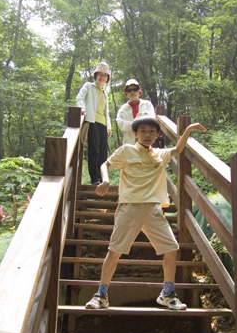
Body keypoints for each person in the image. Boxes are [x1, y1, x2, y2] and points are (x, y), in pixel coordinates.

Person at [85, 114, 206, 310]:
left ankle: (167, 294)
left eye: (151, 131)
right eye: (143, 131)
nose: (147, 134)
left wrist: (189, 129)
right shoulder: (126, 151)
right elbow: (105, 164)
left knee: (171, 249)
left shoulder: (159, 154)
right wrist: (105, 180)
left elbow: (177, 149)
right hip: (129, 206)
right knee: (114, 251)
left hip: (153, 208)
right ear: (135, 134)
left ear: (157, 134)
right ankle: (101, 295)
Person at [76, 61, 112, 185]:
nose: (102, 77)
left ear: (107, 78)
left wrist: (109, 127)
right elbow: (80, 98)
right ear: (95, 75)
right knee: (94, 150)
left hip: (103, 123)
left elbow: (106, 111)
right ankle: (95, 178)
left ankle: (103, 178)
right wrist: (82, 109)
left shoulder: (105, 93)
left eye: (105, 75)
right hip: (92, 121)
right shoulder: (88, 86)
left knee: (103, 152)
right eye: (100, 74)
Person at [116, 78, 155, 144]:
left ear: (139, 92)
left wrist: (145, 114)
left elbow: (153, 118)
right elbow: (121, 125)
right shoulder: (123, 109)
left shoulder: (147, 104)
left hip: (147, 140)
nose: (132, 92)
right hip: (129, 142)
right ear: (126, 93)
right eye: (129, 90)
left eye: (135, 89)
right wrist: (135, 123)